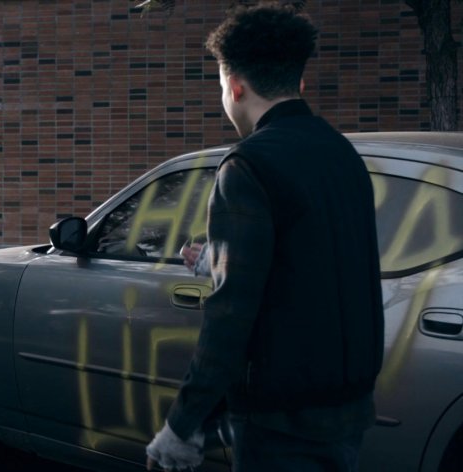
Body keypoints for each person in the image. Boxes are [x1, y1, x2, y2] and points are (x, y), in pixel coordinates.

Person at [146, 3, 384, 471]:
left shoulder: (248, 166)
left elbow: (232, 314)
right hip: (349, 411)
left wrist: (181, 425)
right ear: (300, 81)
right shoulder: (342, 155)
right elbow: (317, 261)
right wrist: (219, 257)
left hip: (279, 423)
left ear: (235, 86)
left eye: (220, 85)